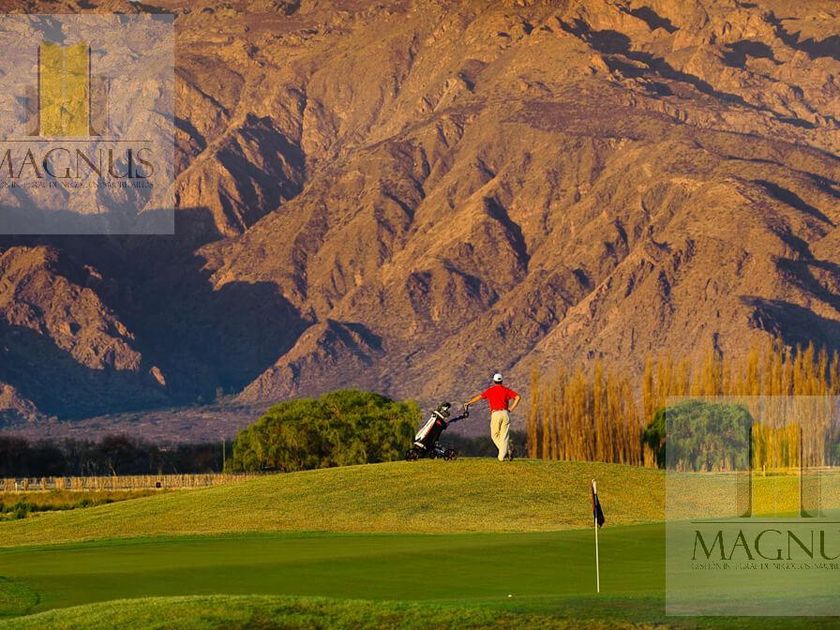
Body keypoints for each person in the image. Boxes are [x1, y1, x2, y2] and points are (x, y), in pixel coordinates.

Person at [465, 373, 520, 461]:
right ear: (502, 381)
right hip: (505, 413)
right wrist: (511, 408)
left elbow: (479, 397)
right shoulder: (506, 390)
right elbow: (518, 397)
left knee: (494, 435)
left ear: (494, 381)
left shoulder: (490, 390)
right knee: (504, 436)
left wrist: (469, 403)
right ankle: (507, 449)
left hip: (496, 414)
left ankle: (502, 456)